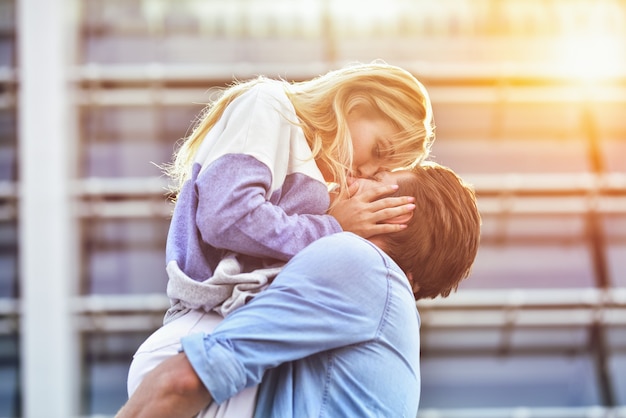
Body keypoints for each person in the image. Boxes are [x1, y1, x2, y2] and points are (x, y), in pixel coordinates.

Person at [125, 61, 436, 415]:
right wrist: (334, 229)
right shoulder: (270, 106)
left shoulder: (320, 178)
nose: (364, 169)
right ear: (357, 103)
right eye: (378, 150)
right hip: (204, 323)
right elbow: (227, 215)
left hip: (226, 325)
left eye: (379, 169)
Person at [116, 162, 482, 418]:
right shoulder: (381, 307)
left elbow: (184, 381)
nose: (352, 178)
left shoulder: (361, 260)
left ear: (396, 212)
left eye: (378, 177)